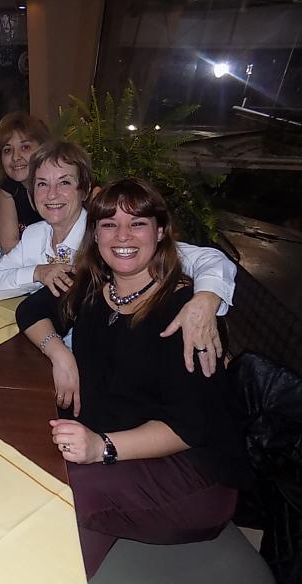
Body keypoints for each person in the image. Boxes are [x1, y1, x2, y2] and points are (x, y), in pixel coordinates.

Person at [23, 179, 252, 577]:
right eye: (109, 224)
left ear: (160, 232)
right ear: (95, 234)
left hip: (190, 478)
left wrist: (102, 447)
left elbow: (189, 427)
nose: (123, 236)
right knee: (41, 480)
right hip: (112, 458)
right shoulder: (94, 288)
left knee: (60, 487)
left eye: (138, 223)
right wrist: (60, 354)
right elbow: (31, 311)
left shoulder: (187, 314)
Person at [0, 141, 236, 384]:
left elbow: (210, 259)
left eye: (64, 182)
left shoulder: (109, 236)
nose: (52, 193)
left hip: (110, 366)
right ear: (32, 194)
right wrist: (37, 272)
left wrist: (206, 299)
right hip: (54, 351)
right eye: (42, 184)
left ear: (85, 190)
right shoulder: (36, 235)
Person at [0, 111, 50, 253]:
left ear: (43, 150)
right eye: (7, 150)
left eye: (25, 147)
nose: (15, 157)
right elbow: (9, 246)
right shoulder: (9, 188)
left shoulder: (61, 187)